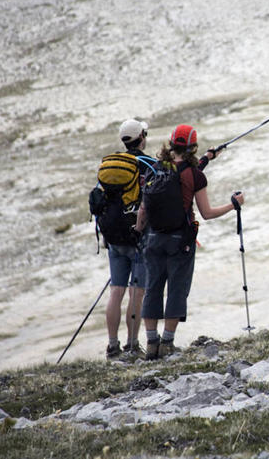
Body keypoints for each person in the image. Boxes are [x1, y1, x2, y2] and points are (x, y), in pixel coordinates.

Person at [135, 124, 244, 360]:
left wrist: (138, 231)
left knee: (152, 288)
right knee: (176, 289)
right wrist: (234, 204)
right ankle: (167, 344)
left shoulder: (154, 168)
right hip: (180, 240)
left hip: (152, 239)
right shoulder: (195, 176)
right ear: (192, 146)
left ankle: (151, 344)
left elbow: (143, 209)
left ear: (171, 143)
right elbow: (207, 213)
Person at [104, 119, 152, 359]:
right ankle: (132, 345)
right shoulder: (148, 164)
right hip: (138, 238)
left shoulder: (112, 166)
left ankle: (112, 345)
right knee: (136, 292)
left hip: (113, 239)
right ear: (142, 137)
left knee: (116, 291)